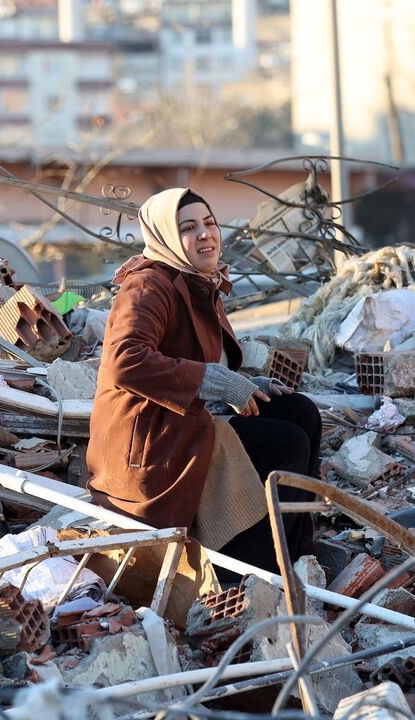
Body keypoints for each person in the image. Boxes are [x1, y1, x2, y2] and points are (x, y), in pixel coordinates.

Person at [86, 187, 318, 580]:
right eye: (189, 228)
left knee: (300, 412)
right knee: (285, 444)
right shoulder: (148, 285)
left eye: (210, 223)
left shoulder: (196, 280)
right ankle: (248, 574)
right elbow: (125, 361)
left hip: (185, 420)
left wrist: (245, 383)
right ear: (165, 237)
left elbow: (199, 359)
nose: (205, 235)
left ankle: (296, 559)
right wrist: (215, 382)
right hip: (152, 441)